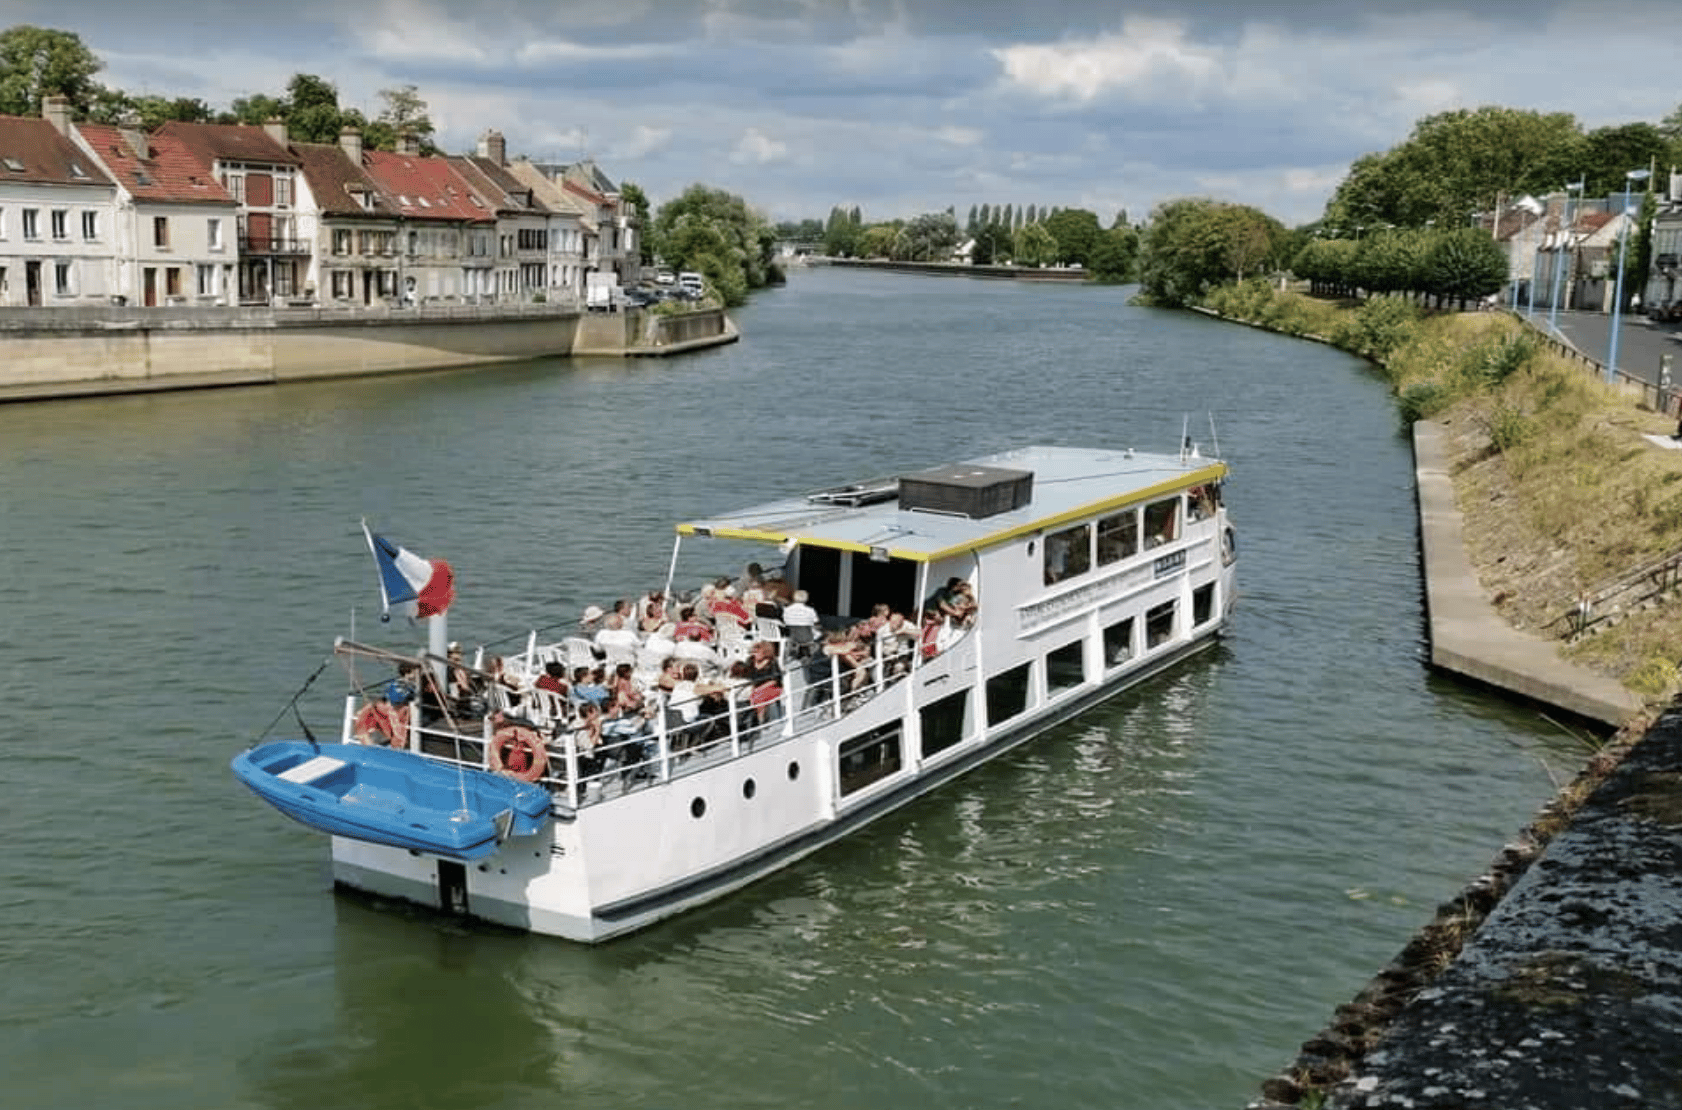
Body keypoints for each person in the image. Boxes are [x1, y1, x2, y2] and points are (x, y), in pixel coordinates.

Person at [354, 680, 414, 748]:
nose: (405, 707)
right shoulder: (370, 711)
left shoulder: (404, 713)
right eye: (403, 704)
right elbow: (362, 732)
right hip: (380, 746)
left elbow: (401, 735)